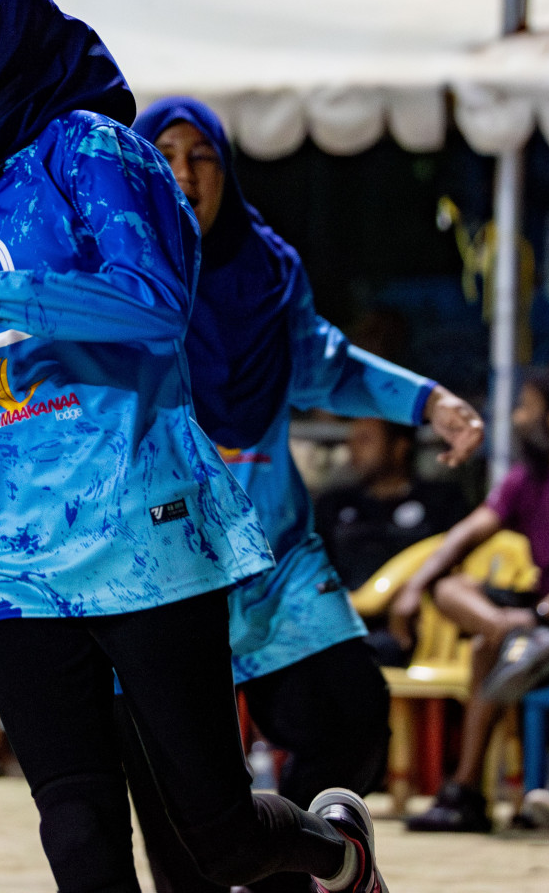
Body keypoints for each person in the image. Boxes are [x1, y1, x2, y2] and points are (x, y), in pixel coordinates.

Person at [0, 0, 389, 893]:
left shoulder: (95, 149)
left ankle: (338, 858)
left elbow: (150, 309)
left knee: (213, 832)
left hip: (137, 537)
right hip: (12, 561)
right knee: (77, 828)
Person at [121, 97, 484, 893]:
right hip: (155, 575)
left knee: (352, 712)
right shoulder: (111, 277)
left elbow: (328, 365)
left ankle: (302, 869)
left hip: (273, 556)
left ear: (226, 169)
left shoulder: (269, 273)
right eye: (167, 156)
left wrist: (430, 402)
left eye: (203, 157)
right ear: (142, 171)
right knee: (180, 822)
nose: (185, 175)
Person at [395, 359, 549, 833]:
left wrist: (541, 614)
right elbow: (465, 535)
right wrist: (414, 587)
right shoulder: (528, 477)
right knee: (455, 590)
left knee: (486, 649)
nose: (517, 418)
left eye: (526, 408)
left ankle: (464, 794)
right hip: (535, 620)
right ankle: (511, 634)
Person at [317, 418, 470, 665]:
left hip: (413, 628)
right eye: (351, 439)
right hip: (342, 622)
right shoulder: (333, 504)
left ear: (400, 447)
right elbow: (314, 570)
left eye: (365, 439)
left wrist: (414, 591)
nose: (352, 446)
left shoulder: (441, 502)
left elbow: (461, 565)